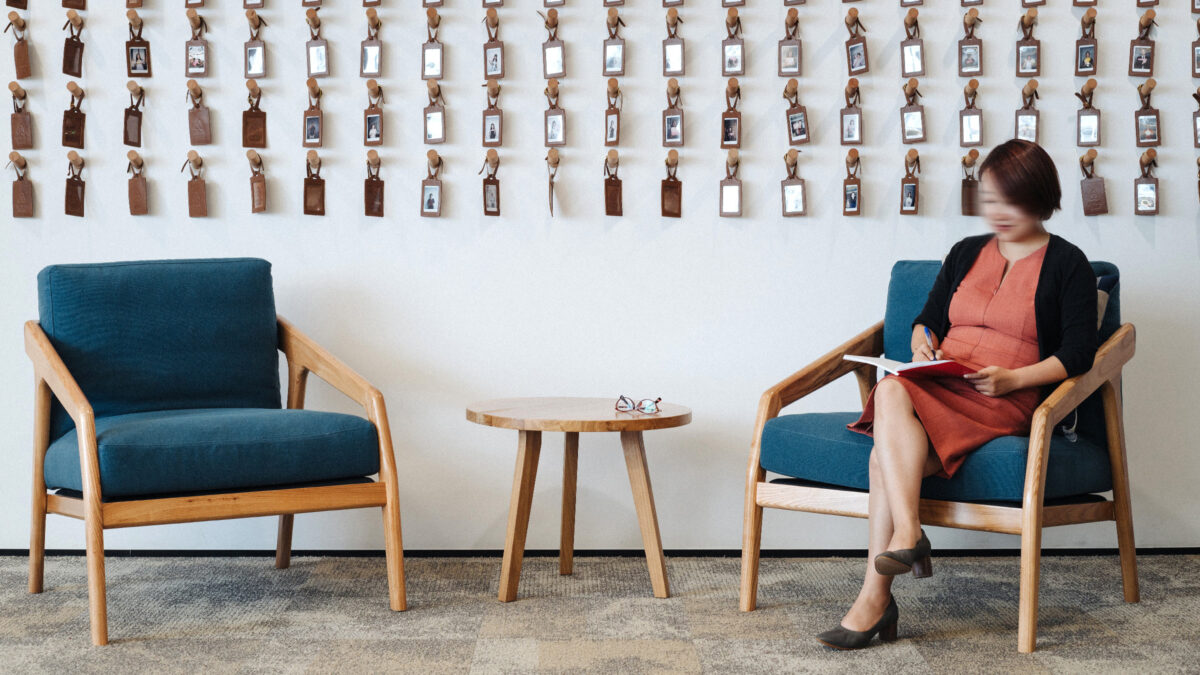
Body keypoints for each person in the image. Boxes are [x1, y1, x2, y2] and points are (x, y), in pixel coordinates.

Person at [815, 139, 1099, 650]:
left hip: (1004, 394)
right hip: (942, 381)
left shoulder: (1068, 263)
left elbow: (1079, 353)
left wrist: (1016, 379)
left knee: (886, 459)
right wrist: (922, 337)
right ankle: (907, 536)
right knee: (894, 384)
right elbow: (930, 316)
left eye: (1010, 200)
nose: (998, 212)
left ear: (1040, 197)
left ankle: (876, 598)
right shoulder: (966, 252)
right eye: (989, 199)